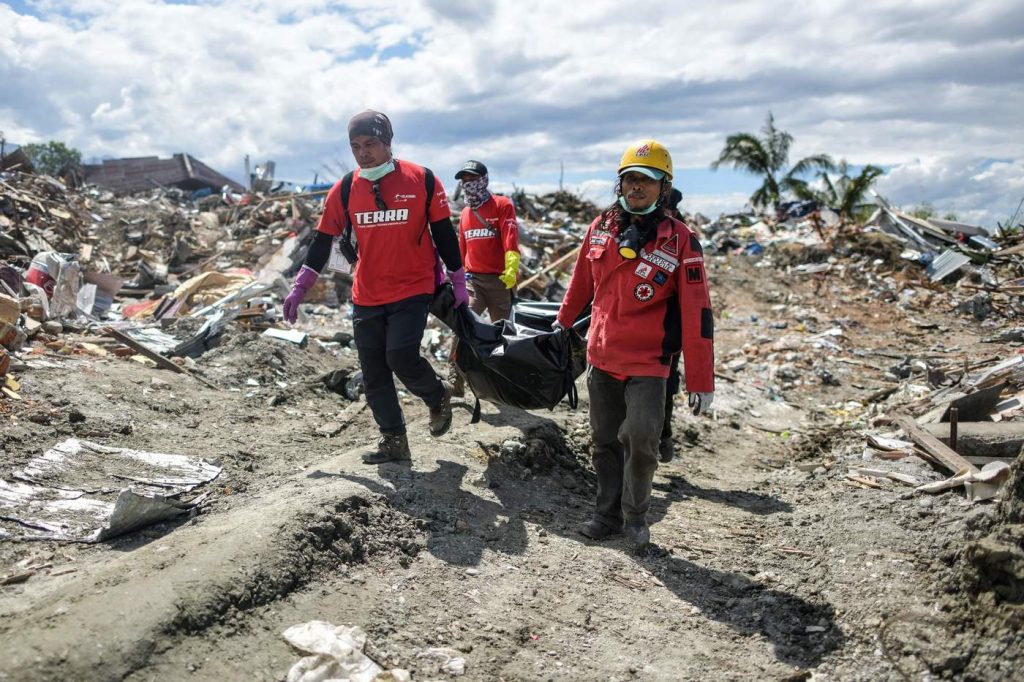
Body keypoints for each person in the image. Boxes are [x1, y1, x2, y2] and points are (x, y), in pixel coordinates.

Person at [282, 110, 468, 464]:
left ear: (387, 142)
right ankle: (394, 441)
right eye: (355, 146)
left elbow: (444, 234)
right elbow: (322, 241)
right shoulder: (345, 189)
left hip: (413, 288)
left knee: (400, 356)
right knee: (373, 371)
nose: (363, 153)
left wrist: (458, 279)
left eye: (370, 143)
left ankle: (437, 394)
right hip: (367, 293)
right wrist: (300, 286)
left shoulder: (423, 180)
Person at [555, 139, 714, 550]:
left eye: (647, 180)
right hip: (603, 355)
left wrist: (701, 380)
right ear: (620, 184)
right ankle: (606, 515)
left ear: (664, 187)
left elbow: (697, 312)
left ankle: (636, 517)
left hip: (649, 360)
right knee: (604, 441)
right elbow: (580, 285)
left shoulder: (680, 240)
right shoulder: (600, 228)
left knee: (642, 440)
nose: (637, 186)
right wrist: (561, 325)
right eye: (630, 179)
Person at [448, 159, 521, 396]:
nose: (469, 184)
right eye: (465, 180)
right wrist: (457, 278)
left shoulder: (502, 204)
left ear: (484, 180)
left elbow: (510, 237)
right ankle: (455, 378)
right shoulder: (466, 213)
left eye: (473, 179)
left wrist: (511, 268)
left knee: (502, 334)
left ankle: (502, 381)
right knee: (462, 325)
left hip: (500, 281)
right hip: (474, 281)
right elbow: (462, 249)